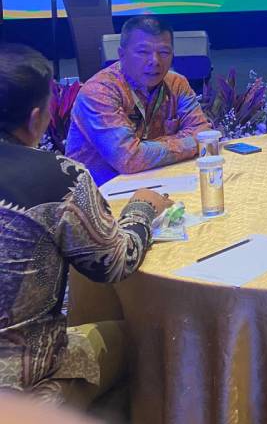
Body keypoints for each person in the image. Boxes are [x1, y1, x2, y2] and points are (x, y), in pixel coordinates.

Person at [0, 44, 171, 407]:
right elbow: (115, 263)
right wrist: (142, 208)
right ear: (35, 118)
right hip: (22, 388)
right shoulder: (58, 177)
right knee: (143, 339)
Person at [65, 16, 211, 186]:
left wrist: (144, 149)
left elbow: (204, 132)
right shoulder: (100, 91)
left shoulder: (177, 84)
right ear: (121, 54)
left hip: (158, 182)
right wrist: (190, 142)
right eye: (143, 52)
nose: (155, 61)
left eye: (164, 53)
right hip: (98, 190)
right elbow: (128, 159)